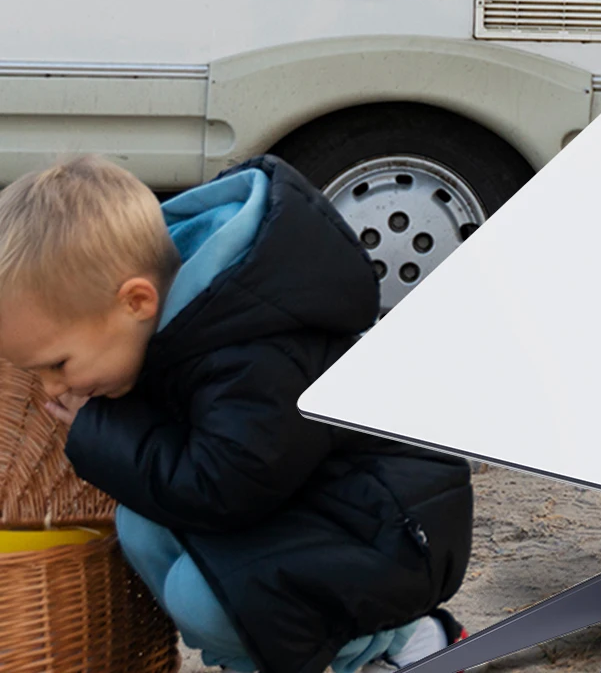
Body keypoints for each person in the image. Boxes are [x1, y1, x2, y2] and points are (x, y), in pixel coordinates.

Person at [0, 153, 473, 673]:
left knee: (203, 596)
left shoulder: (254, 352)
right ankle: (253, 659)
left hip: (396, 531)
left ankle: (403, 641)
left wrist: (102, 429)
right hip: (308, 510)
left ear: (136, 302)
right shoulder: (174, 323)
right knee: (141, 525)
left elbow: (223, 489)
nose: (51, 387)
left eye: (58, 364)